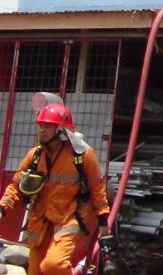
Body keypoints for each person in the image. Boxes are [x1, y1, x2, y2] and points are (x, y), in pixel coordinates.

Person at [0, 102, 111, 275]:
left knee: (54, 266)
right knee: (35, 271)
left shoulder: (82, 155)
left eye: (47, 126)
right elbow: (16, 186)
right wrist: (2, 208)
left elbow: (97, 187)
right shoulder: (35, 156)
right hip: (40, 222)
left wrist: (103, 221)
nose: (41, 130)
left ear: (60, 129)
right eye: (41, 126)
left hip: (68, 219)